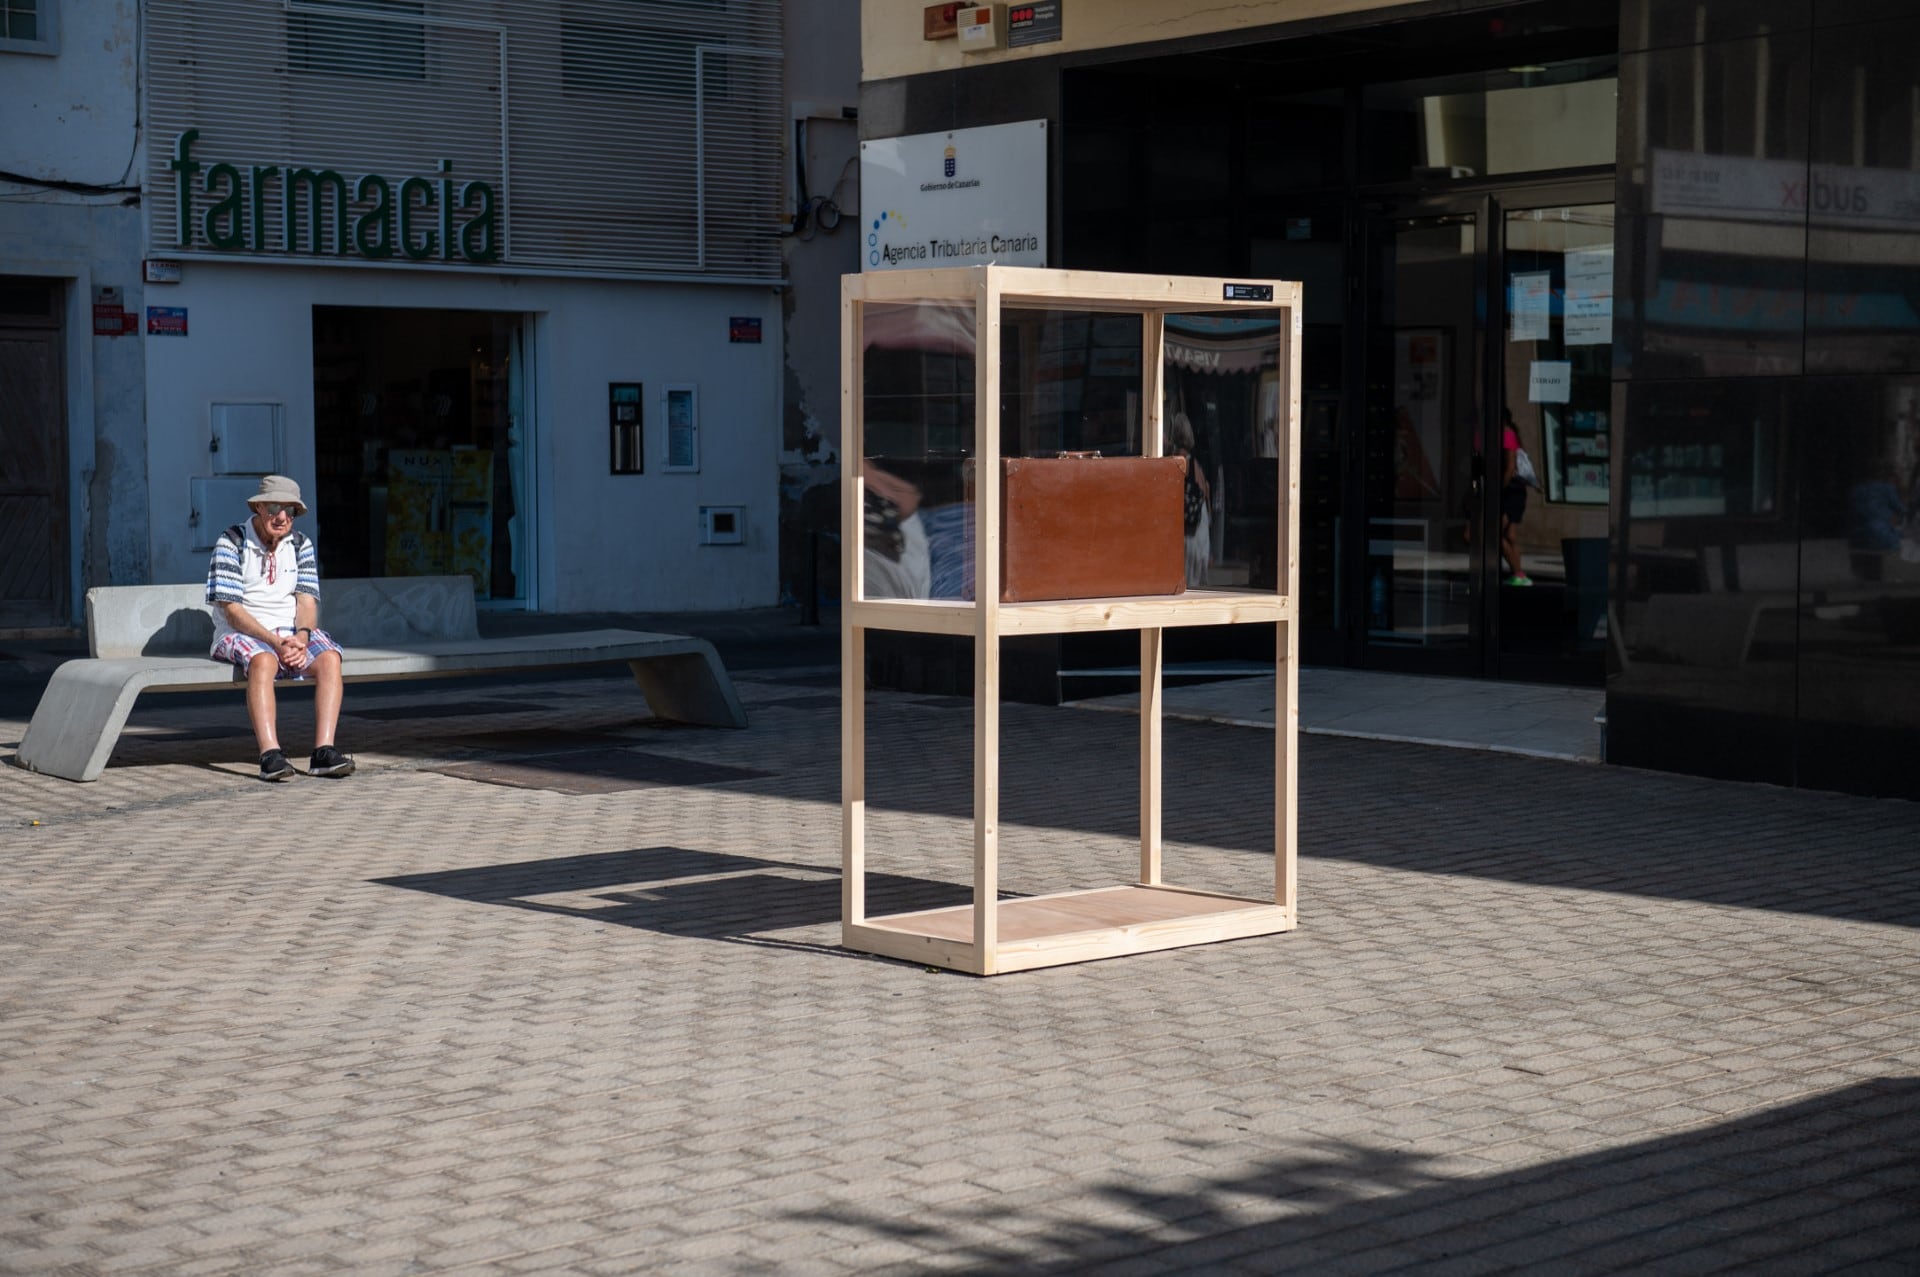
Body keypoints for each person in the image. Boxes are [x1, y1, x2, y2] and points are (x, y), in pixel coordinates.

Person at [205, 475, 355, 781]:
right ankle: (270, 755)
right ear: (259, 507)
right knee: (264, 661)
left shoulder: (301, 544)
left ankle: (323, 752)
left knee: (329, 658)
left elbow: (308, 602)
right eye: (274, 507)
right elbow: (232, 610)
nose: (282, 517)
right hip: (242, 633)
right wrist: (274, 641)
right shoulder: (232, 541)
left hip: (289, 633)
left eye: (290, 510)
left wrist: (301, 637)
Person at [1170, 411, 1212, 587]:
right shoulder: (1197, 464)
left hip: (1187, 531)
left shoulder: (1177, 462)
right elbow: (1206, 492)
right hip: (1199, 528)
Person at [1499, 408, 1532, 586]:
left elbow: (1510, 467)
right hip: (1517, 490)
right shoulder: (1511, 433)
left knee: (1495, 535)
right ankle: (1519, 576)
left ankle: (1518, 573)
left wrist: (1499, 489)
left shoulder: (1507, 434)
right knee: (1510, 535)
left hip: (1511, 490)